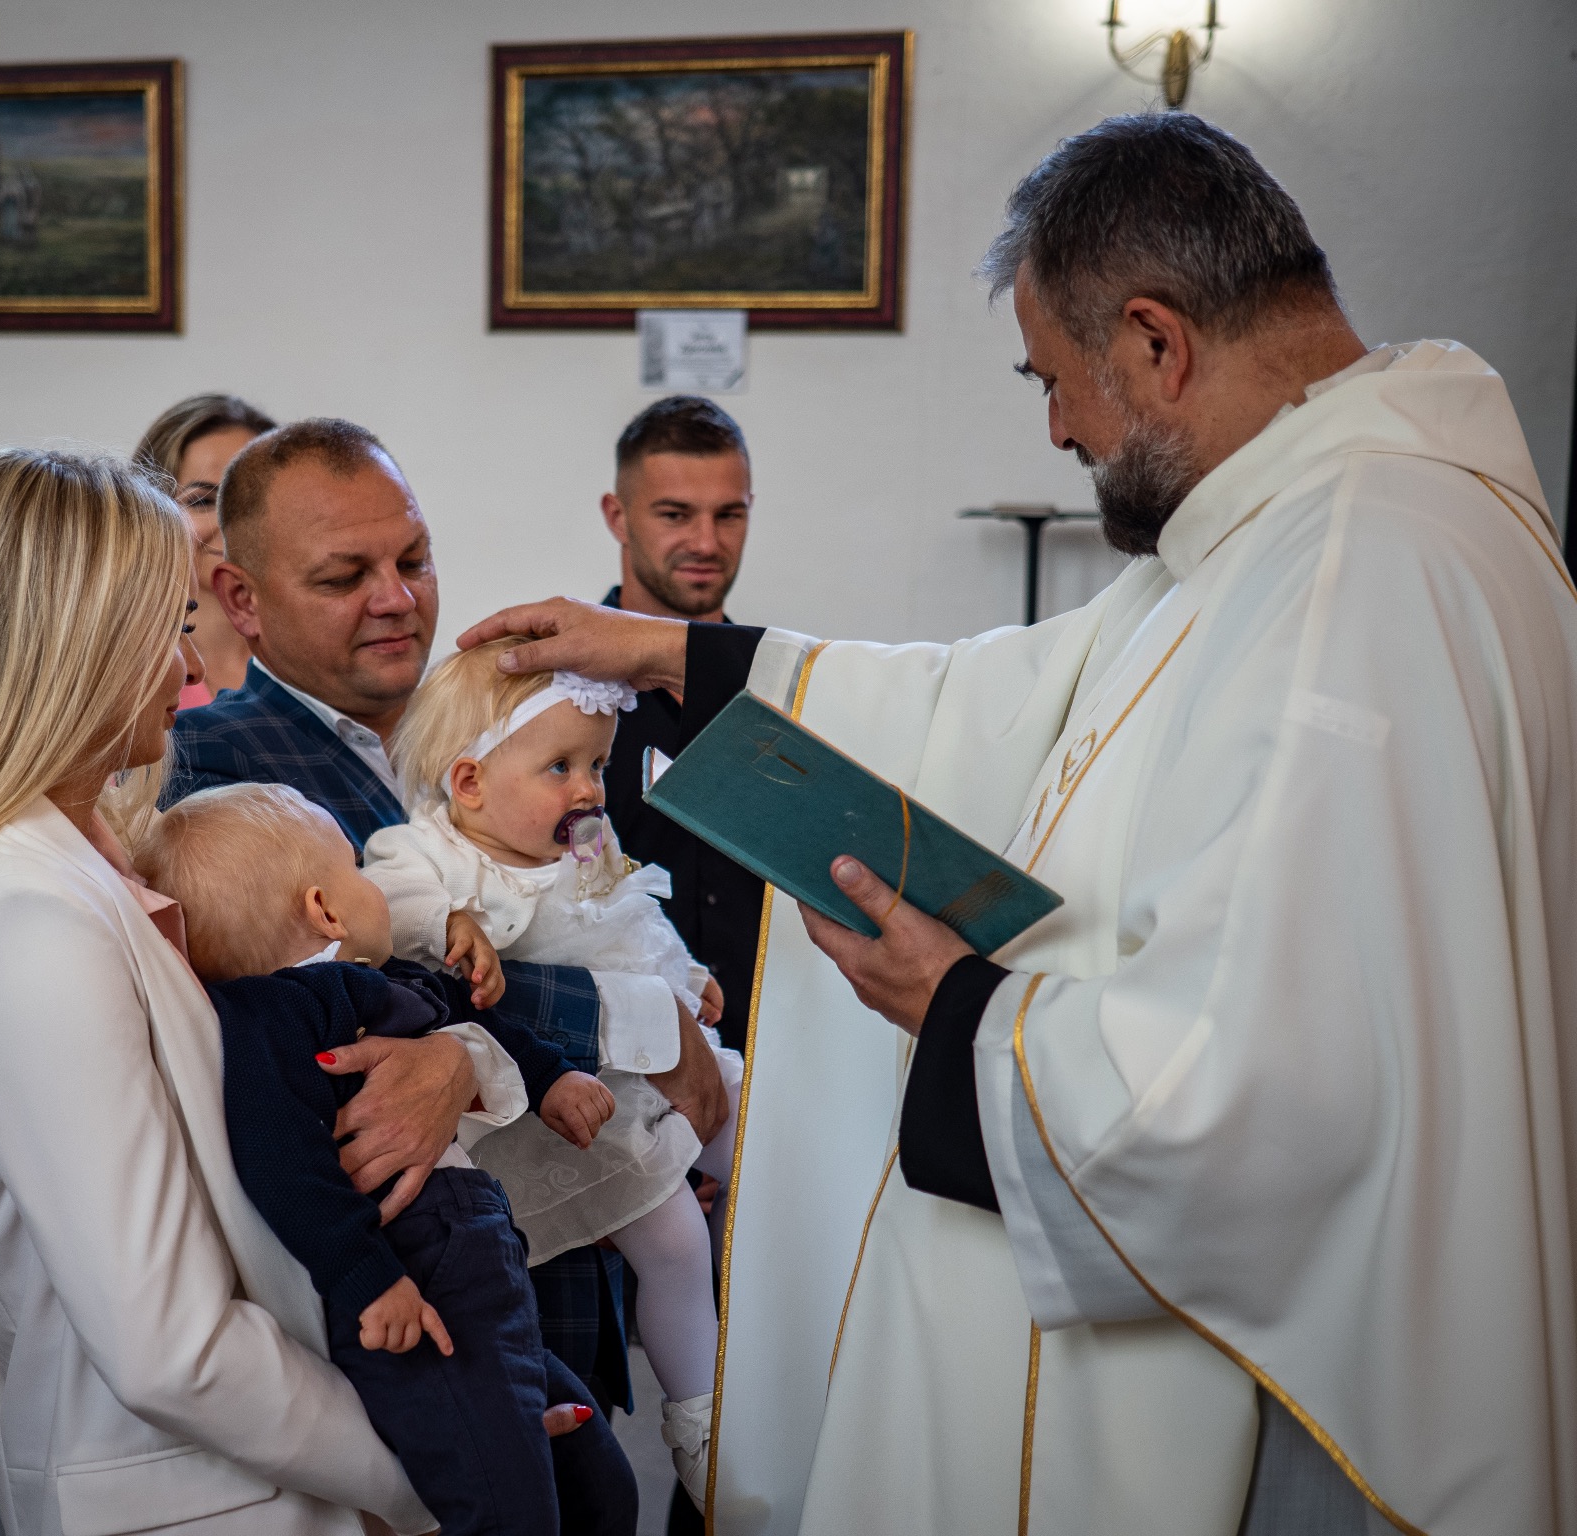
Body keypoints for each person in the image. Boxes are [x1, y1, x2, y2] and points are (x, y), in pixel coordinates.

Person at [460, 113, 1577, 1536]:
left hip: (1319, 1385)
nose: (1057, 428)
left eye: (1059, 380)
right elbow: (1018, 696)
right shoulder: (1314, 523)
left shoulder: (1356, 573)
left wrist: (962, 1011)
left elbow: (1277, 1080)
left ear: (1158, 343)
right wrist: (675, 656)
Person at [0, 446, 549, 1535]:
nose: (190, 671)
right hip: (197, 1495)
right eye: (167, 625)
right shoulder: (19, 919)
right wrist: (437, 1470)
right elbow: (166, 1347)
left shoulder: (90, 855)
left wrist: (448, 1059)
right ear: (72, 639)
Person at [168, 419, 732, 1414]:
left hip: (575, 1254)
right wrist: (639, 1024)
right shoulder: (220, 783)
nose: (396, 599)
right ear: (239, 599)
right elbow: (309, 1045)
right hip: (417, 1323)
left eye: (413, 560)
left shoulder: (484, 716)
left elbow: (584, 900)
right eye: (345, 576)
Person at [136, 781, 639, 1536]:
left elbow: (473, 1017)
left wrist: (554, 1078)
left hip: (477, 1269)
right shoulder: (275, 1014)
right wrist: (369, 1281)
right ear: (325, 909)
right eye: (356, 870)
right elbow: (279, 1161)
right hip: (418, 1272)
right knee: (505, 1506)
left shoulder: (383, 980)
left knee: (596, 1477)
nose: (376, 889)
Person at [363, 641, 745, 1508]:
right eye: (561, 766)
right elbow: (389, 902)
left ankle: (813, 1326)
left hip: (662, 1062)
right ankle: (702, 1426)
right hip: (579, 1108)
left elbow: (634, 924)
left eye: (599, 766)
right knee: (678, 1245)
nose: (589, 789)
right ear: (468, 784)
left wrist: (689, 979)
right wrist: (454, 919)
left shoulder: (588, 844)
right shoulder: (433, 855)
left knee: (769, 1140)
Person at [596, 396, 764, 1057]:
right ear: (619, 516)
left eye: (729, 515)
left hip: (765, 1070)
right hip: (609, 1077)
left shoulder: (781, 690)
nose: (705, 542)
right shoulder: (555, 697)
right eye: (675, 515)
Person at [135, 393, 279, 703]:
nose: (231, 523)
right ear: (150, 511)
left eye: (251, 502)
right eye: (203, 501)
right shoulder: (125, 672)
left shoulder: (315, 659)